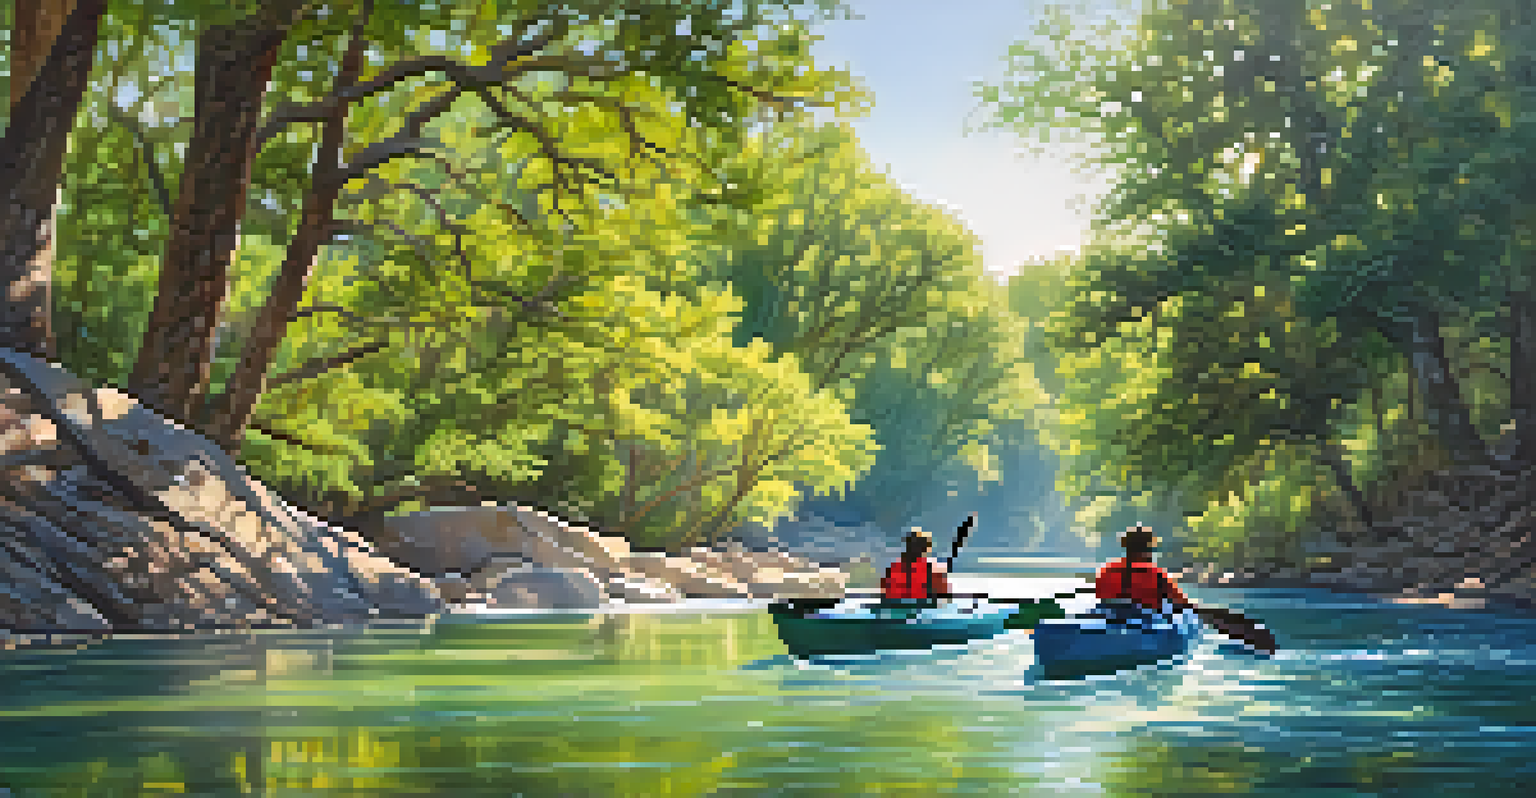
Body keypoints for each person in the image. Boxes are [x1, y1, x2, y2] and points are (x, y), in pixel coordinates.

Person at [1094, 523, 1192, 614]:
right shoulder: (1158, 576)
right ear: (1149, 547)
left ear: (1125, 546)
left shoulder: (1106, 571)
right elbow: (1184, 605)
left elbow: (1101, 600)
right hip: (1148, 625)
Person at [881, 526, 952, 600]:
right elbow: (944, 597)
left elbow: (884, 596)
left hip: (895, 607)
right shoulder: (932, 571)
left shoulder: (891, 570)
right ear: (925, 549)